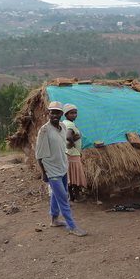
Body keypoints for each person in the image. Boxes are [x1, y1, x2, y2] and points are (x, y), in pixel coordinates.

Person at [35, 101, 87, 236]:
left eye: (57, 112)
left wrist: (71, 143)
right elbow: (39, 155)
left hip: (63, 165)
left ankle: (54, 219)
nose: (54, 115)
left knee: (57, 193)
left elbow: (65, 141)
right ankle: (72, 226)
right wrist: (43, 173)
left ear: (61, 114)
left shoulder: (63, 127)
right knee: (63, 197)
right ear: (48, 113)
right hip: (51, 169)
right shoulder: (44, 130)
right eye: (52, 112)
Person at [62, 103, 88, 202]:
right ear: (66, 114)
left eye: (75, 113)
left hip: (67, 153)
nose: (74, 115)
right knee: (75, 176)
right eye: (71, 113)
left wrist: (76, 137)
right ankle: (77, 197)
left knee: (69, 176)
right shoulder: (70, 124)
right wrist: (72, 142)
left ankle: (70, 196)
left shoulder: (63, 123)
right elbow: (68, 136)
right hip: (73, 153)